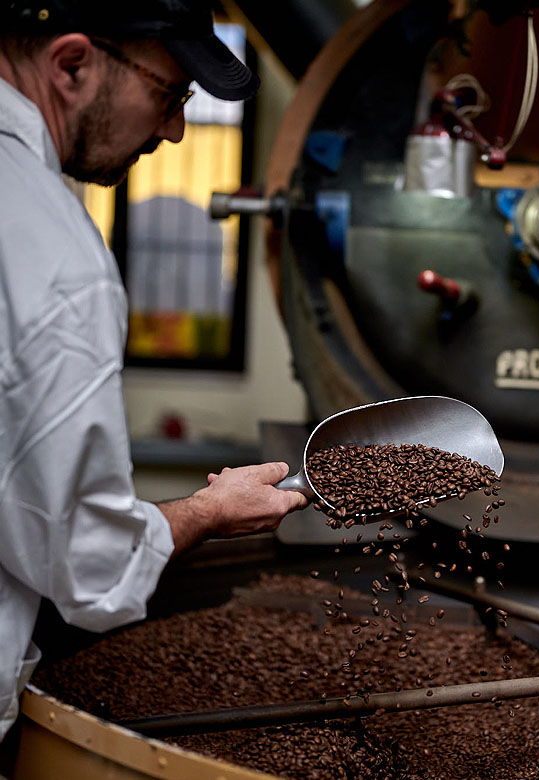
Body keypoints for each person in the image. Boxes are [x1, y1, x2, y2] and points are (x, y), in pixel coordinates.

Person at [0, 0, 308, 753]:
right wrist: (211, 511)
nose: (173, 129)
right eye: (169, 93)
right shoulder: (53, 255)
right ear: (72, 64)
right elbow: (91, 565)